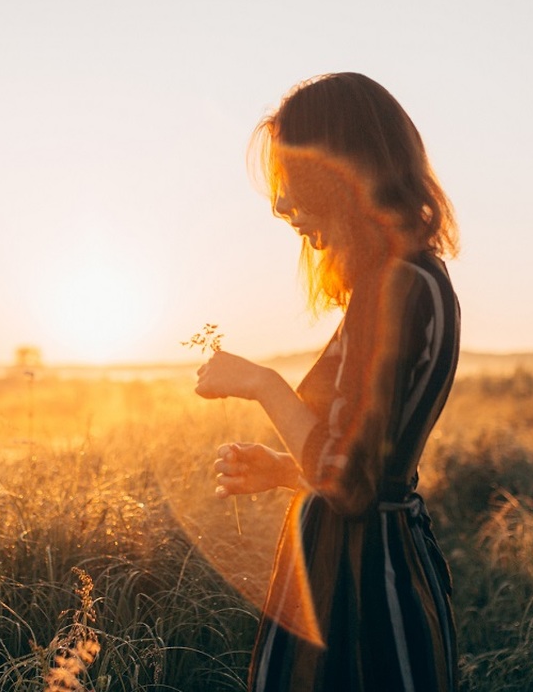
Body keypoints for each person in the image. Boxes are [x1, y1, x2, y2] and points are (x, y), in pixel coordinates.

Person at [194, 72, 461, 692]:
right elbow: (372, 465)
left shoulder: (392, 286)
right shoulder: (419, 278)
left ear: (340, 173)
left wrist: (263, 384)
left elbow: (352, 486)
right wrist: (286, 470)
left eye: (293, 180)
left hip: (363, 595)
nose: (284, 207)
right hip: (384, 570)